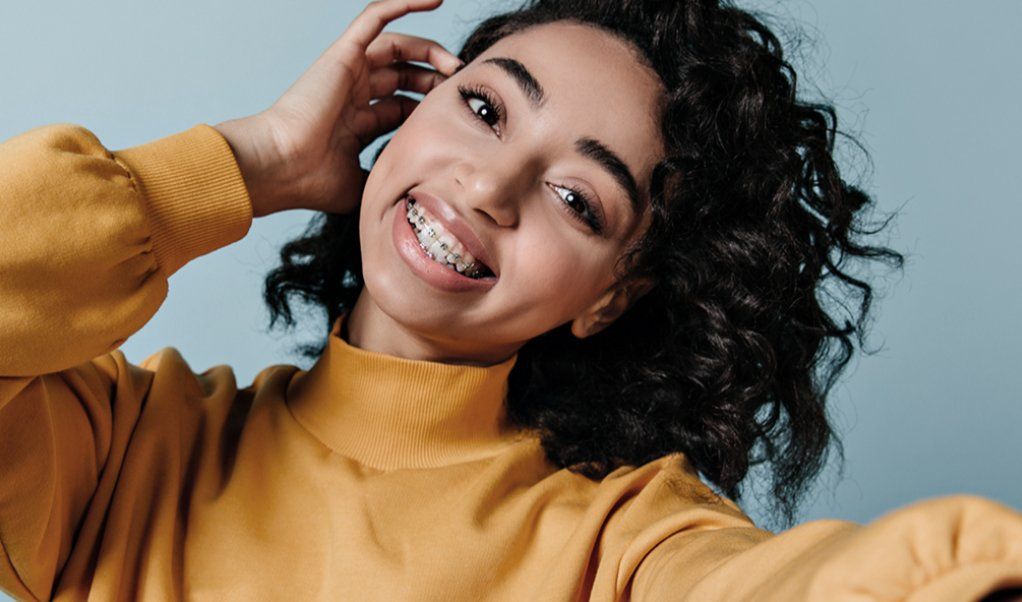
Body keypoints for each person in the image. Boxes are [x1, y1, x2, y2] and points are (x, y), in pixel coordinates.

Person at [1, 0, 1021, 599]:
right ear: (402, 107)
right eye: (483, 109)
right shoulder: (120, 443)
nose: (488, 189)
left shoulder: (622, 540)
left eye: (576, 198)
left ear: (611, 297)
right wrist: (256, 160)